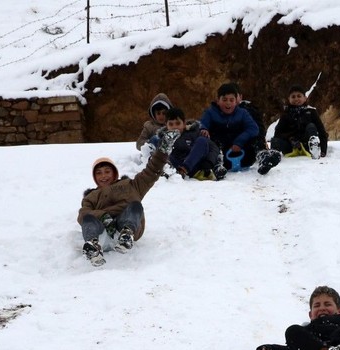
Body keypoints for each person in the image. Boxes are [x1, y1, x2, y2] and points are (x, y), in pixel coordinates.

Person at [77, 130, 179, 267]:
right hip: (103, 234)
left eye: (107, 171)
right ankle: (93, 246)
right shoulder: (91, 196)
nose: (103, 176)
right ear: (95, 177)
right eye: (99, 173)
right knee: (87, 218)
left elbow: (151, 171)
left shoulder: (131, 185)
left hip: (123, 228)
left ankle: (126, 236)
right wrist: (103, 216)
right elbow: (83, 213)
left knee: (135, 206)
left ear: (115, 173)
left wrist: (163, 151)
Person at [199, 83, 260, 179]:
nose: (228, 103)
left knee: (255, 137)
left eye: (231, 100)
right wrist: (204, 129)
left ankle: (263, 155)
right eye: (224, 100)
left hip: (240, 150)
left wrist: (239, 142)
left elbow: (253, 128)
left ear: (236, 102)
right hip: (221, 150)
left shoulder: (242, 113)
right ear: (218, 100)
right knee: (211, 142)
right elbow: (202, 124)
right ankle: (217, 165)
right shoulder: (210, 112)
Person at [269, 84, 329, 161]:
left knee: (311, 126)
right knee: (274, 141)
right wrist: (290, 139)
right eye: (293, 97)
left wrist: (323, 150)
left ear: (305, 98)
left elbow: (321, 132)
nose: (296, 99)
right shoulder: (285, 114)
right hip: (291, 147)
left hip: (307, 145)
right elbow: (278, 133)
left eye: (299, 96)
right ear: (289, 99)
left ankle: (315, 150)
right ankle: (272, 159)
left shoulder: (311, 112)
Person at [164, 107, 221, 181]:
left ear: (184, 124)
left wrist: (209, 162)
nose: (175, 127)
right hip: (177, 166)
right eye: (171, 124)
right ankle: (170, 173)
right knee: (162, 152)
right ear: (166, 126)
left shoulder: (194, 133)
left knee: (202, 141)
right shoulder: (164, 138)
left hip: (196, 165)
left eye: (178, 123)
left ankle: (184, 169)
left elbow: (213, 147)